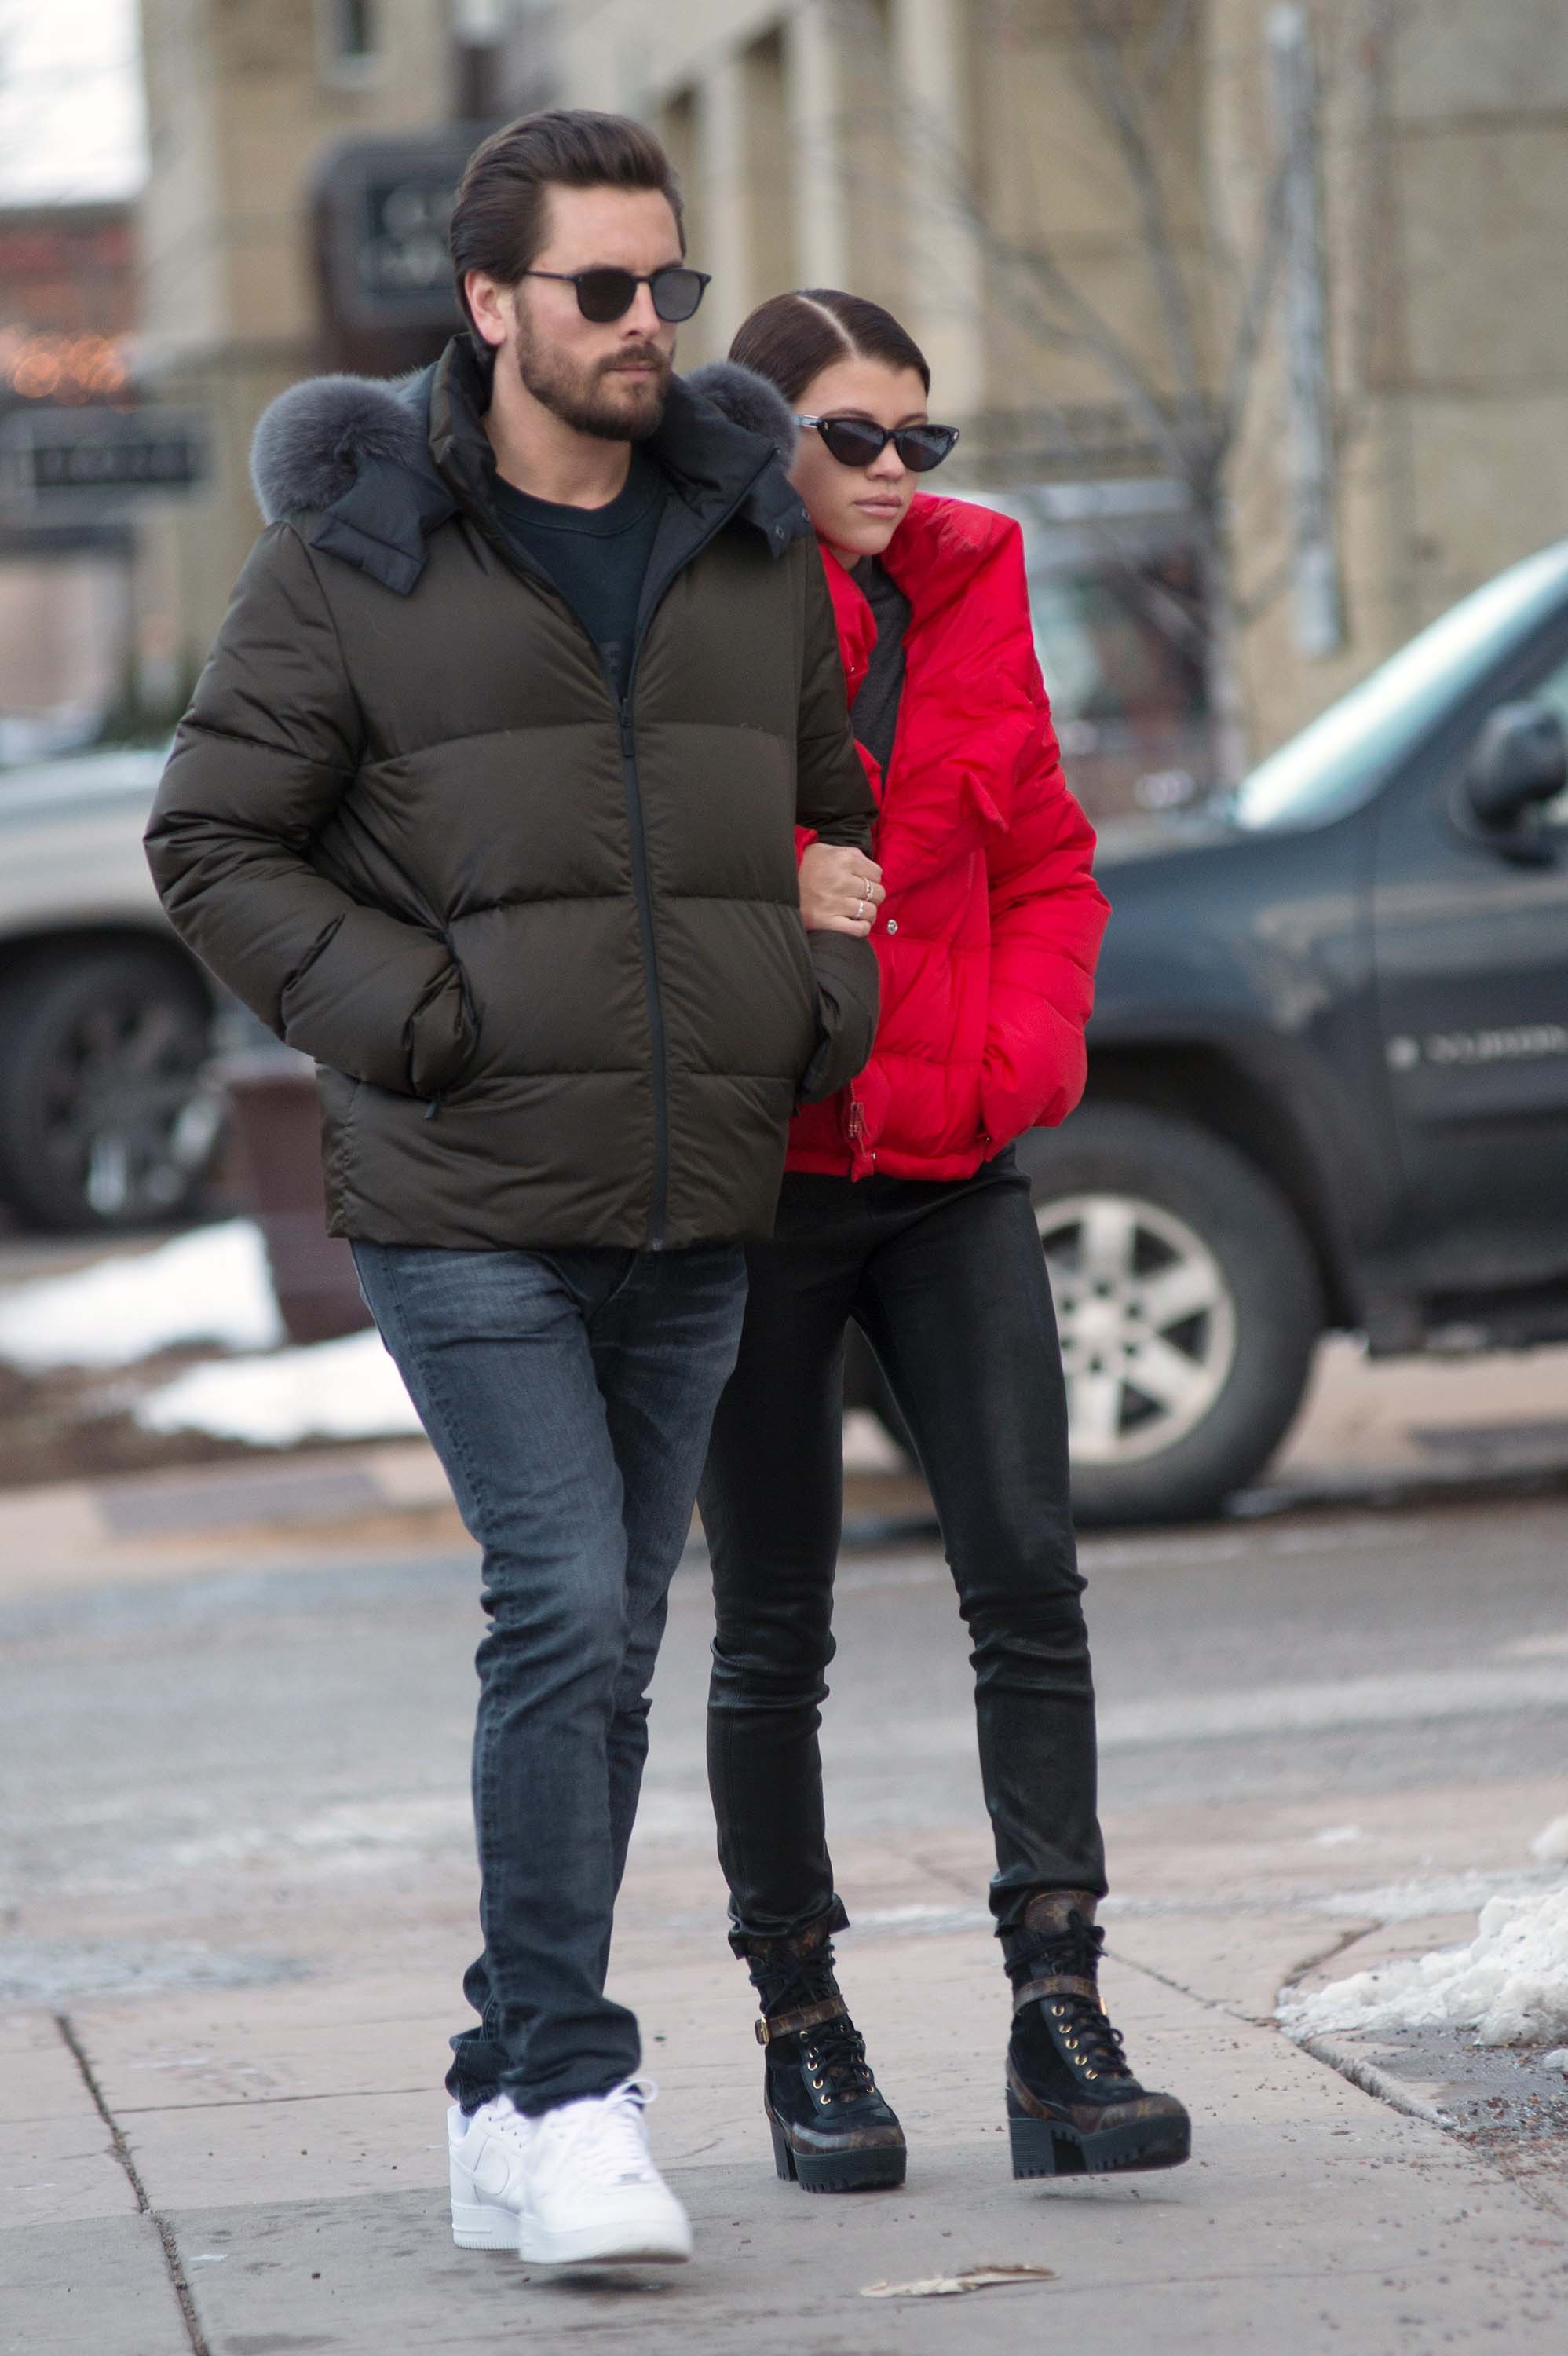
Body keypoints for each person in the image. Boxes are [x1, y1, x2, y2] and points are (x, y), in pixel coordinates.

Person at [143, 120, 880, 2269]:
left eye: (668, 284)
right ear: (488, 305)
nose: (647, 324)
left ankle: (494, 2085)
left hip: (692, 1186)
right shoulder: (352, 559)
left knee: (609, 1645)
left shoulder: (747, 543)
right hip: (460, 1184)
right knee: (561, 1602)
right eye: (600, 289)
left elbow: (826, 807)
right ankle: (569, 2095)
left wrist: (813, 998)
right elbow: (210, 841)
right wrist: (418, 1015)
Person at [694, 290, 1191, 2193]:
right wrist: (778, 886)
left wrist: (1026, 1046)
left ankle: (1060, 2014)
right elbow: (631, 860)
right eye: (855, 436)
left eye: (923, 436)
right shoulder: (700, 603)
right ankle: (803, 2023)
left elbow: (1048, 856)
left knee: (1030, 1580)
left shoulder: (975, 589)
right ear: (767, 436)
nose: (896, 470)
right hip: (765, 1182)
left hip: (953, 1164)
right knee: (776, 1629)